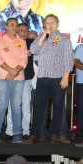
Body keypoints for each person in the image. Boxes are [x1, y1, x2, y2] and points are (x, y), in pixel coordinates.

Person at [26, 14, 74, 144]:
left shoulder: (63, 39)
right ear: (44, 25)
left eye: (53, 22)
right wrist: (43, 36)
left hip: (58, 78)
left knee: (58, 108)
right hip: (42, 78)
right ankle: (36, 134)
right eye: (47, 23)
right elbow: (33, 50)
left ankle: (55, 134)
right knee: (39, 108)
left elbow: (69, 59)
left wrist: (66, 77)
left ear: (57, 24)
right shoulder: (41, 38)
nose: (50, 25)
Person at [0, 18, 27, 143]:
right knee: (1, 106)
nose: (14, 27)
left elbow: (24, 60)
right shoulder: (0, 41)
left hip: (18, 78)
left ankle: (17, 134)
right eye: (12, 25)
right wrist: (10, 71)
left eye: (16, 25)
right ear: (6, 27)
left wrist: (14, 72)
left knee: (16, 106)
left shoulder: (22, 42)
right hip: (3, 78)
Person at [6, 23, 34, 139]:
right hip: (15, 79)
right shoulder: (12, 42)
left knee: (26, 107)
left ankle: (25, 131)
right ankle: (9, 131)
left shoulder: (32, 44)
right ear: (17, 31)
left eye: (26, 30)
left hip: (27, 79)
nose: (24, 32)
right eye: (21, 30)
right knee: (12, 106)